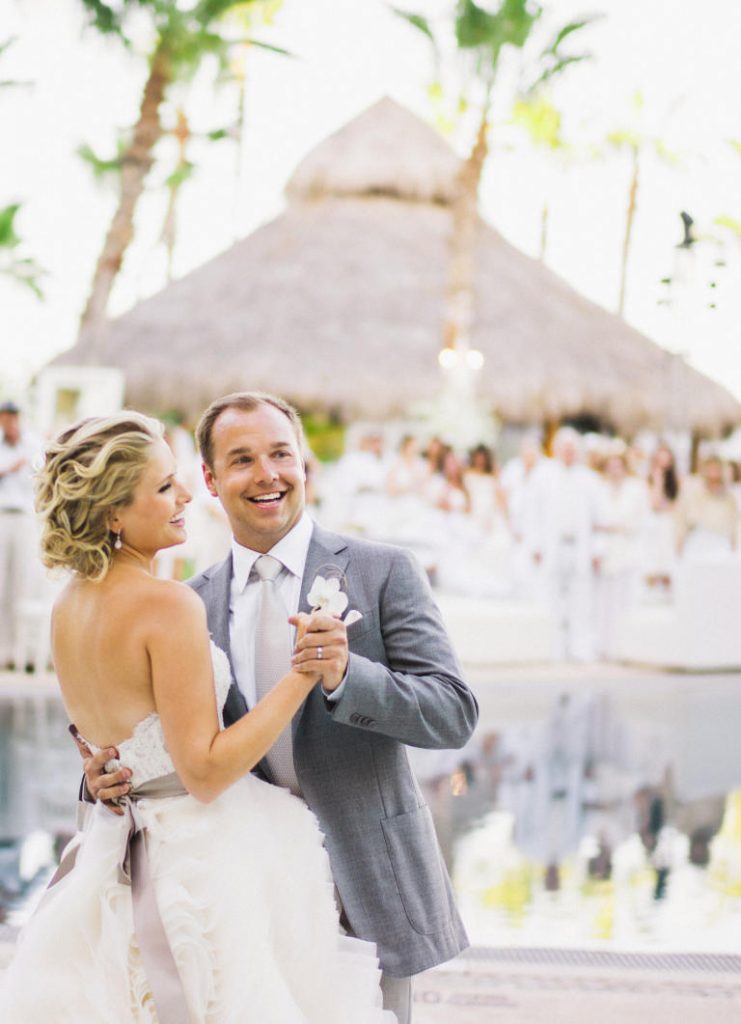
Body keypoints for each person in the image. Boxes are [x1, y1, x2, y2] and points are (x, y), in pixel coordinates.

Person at [80, 393, 478, 1023]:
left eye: (280, 454)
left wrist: (348, 675)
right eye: (242, 460)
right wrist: (100, 778)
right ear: (209, 480)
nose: (267, 474)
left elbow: (454, 712)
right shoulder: (188, 602)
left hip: (365, 880)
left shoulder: (383, 572)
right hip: (246, 894)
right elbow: (150, 732)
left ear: (304, 463)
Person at [0, 411, 397, 1023]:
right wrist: (302, 673)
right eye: (163, 488)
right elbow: (206, 772)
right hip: (196, 860)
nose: (187, 494)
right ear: (111, 514)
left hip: (111, 851)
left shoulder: (68, 605)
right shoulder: (168, 605)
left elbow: (109, 738)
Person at [528, 427, 603, 661]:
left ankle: (580, 651)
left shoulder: (590, 479)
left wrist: (598, 549)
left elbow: (599, 519)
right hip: (552, 547)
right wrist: (535, 545)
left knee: (581, 601)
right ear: (557, 449)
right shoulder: (543, 475)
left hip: (580, 548)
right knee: (550, 599)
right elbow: (532, 514)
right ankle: (553, 651)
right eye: (564, 448)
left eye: (573, 448)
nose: (569, 452)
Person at [675, 454, 737, 560]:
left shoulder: (728, 497)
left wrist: (734, 544)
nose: (713, 472)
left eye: (716, 469)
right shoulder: (692, 491)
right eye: (710, 468)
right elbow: (681, 518)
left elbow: (734, 522)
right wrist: (679, 542)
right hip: (697, 544)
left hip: (721, 545)